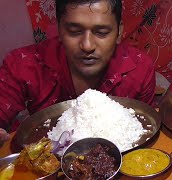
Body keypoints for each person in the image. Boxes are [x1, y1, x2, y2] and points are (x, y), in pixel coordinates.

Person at [0, 0, 155, 142]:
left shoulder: (140, 68)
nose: (87, 46)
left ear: (119, 32)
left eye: (101, 32)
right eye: (74, 31)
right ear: (59, 29)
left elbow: (144, 130)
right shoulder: (22, 64)